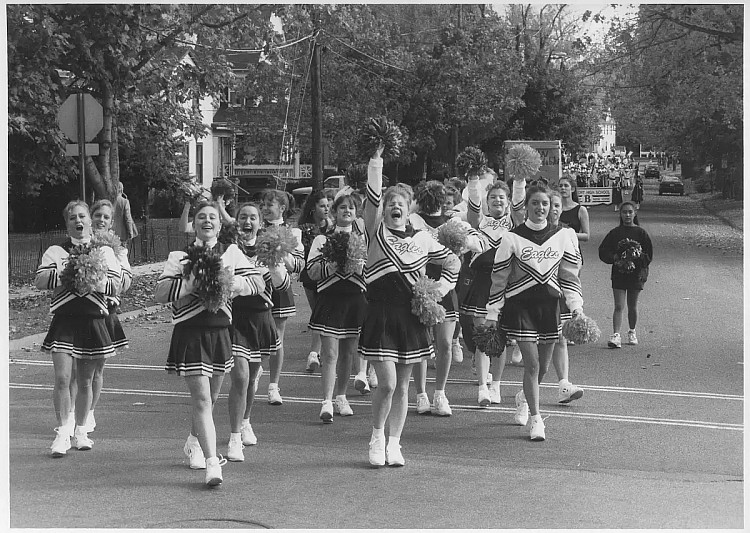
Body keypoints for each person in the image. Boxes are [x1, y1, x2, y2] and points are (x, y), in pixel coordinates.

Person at [360, 145, 460, 466]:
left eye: (400, 203)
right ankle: (376, 437)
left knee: (403, 385)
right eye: (390, 204)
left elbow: (453, 263)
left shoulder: (422, 239)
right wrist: (377, 160)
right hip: (381, 315)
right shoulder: (376, 233)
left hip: (411, 318)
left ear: (408, 209)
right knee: (387, 384)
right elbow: (373, 196)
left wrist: (437, 292)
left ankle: (395, 443)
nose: (394, 207)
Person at [155, 201, 266, 486]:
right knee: (203, 399)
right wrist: (194, 281)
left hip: (220, 334)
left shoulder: (231, 253)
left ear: (219, 224)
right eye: (201, 216)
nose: (207, 221)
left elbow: (258, 283)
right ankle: (212, 462)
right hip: (191, 332)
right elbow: (161, 292)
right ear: (193, 224)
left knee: (212, 398)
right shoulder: (178, 256)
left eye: (212, 217)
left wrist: (231, 284)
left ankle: (194, 440)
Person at [484, 185, 584, 441]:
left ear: (551, 208)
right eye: (535, 203)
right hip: (521, 307)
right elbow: (499, 278)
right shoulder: (511, 238)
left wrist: (576, 309)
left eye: (545, 204)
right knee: (532, 364)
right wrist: (493, 313)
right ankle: (536, 419)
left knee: (545, 367)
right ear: (526, 206)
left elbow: (569, 276)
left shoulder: (564, 235)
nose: (540, 208)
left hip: (550, 307)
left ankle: (523, 397)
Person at [35, 200, 122, 457]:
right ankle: (63, 432)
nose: (78, 221)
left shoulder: (104, 251)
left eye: (82, 216)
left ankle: (81, 430)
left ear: (88, 220)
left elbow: (115, 284)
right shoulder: (56, 251)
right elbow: (41, 279)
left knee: (84, 381)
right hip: (65, 319)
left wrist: (93, 275)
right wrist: (70, 271)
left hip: (93, 319)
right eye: (72, 217)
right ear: (67, 223)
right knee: (62, 378)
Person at [223, 202, 289, 461]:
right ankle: (234, 437)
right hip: (235, 319)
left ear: (260, 224)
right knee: (239, 377)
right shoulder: (229, 249)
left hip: (261, 319)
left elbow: (282, 285)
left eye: (253, 218)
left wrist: (272, 262)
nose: (247, 222)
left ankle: (245, 421)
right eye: (243, 217)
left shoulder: (269, 250)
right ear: (236, 221)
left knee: (251, 379)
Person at [459, 170, 526, 406]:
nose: (497, 201)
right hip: (482, 283)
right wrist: (474, 179)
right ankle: (482, 388)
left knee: (500, 337)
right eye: (493, 198)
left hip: (505, 284)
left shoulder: (514, 223)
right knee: (482, 337)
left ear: (507, 202)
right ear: (487, 202)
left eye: (501, 198)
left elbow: (519, 205)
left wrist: (520, 178)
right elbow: (473, 207)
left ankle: (496, 385)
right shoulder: (479, 222)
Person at [408, 181, 470, 416]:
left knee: (444, 343)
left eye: (438, 196)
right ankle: (421, 394)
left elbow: (473, 242)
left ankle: (440, 393)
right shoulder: (413, 221)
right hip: (419, 286)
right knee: (422, 344)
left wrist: (464, 246)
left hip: (446, 286)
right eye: (427, 196)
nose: (433, 200)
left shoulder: (453, 222)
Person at [306, 194, 367, 423]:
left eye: (351, 208)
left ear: (356, 212)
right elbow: (311, 271)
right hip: (330, 299)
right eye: (342, 207)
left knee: (348, 353)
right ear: (334, 211)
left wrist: (359, 266)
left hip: (354, 299)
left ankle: (341, 396)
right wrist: (331, 265)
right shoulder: (322, 240)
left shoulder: (363, 239)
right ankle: (327, 401)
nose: (347, 211)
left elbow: (370, 270)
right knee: (330, 353)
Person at [80, 199, 133, 431]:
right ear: (91, 217)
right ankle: (75, 412)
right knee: (78, 370)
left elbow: (125, 282)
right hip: (83, 311)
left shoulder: (119, 249)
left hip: (106, 310)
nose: (101, 219)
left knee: (97, 368)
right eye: (98, 215)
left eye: (106, 217)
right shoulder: (83, 243)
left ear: (112, 222)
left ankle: (90, 412)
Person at [260, 189, 304, 406]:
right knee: (256, 335)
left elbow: (298, 265)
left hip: (280, 287)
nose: (265, 208)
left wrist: (280, 249)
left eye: (270, 204)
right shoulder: (254, 229)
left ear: (282, 208)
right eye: (264, 204)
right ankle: (255, 369)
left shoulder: (293, 233)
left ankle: (273, 386)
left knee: (277, 337)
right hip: (257, 288)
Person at [547, 190, 585, 404]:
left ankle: (564, 384)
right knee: (538, 346)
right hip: (535, 295)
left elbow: (575, 264)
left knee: (560, 339)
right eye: (550, 204)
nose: (553, 209)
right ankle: (526, 393)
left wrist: (574, 302)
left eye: (557, 206)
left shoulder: (568, 233)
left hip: (559, 292)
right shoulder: (526, 233)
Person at [598, 201, 653, 348]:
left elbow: (648, 256)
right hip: (619, 273)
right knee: (618, 305)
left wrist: (636, 257)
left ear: (635, 213)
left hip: (636, 274)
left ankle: (632, 331)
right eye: (624, 212)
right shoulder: (615, 233)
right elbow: (603, 251)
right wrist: (616, 258)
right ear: (620, 214)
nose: (627, 215)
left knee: (632, 305)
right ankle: (616, 335)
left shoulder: (641, 233)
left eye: (630, 212)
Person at [296, 191, 333, 373]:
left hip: (329, 277)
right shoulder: (304, 229)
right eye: (322, 205)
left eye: (328, 205)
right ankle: (320, 353)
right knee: (318, 314)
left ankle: (315, 353)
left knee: (323, 314)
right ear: (313, 208)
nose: (326, 209)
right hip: (310, 277)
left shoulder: (333, 227)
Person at [558, 176, 590, 242]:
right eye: (560, 186)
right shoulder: (554, 209)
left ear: (572, 189)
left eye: (566, 185)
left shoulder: (581, 210)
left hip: (573, 249)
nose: (563, 188)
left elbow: (586, 236)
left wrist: (567, 234)